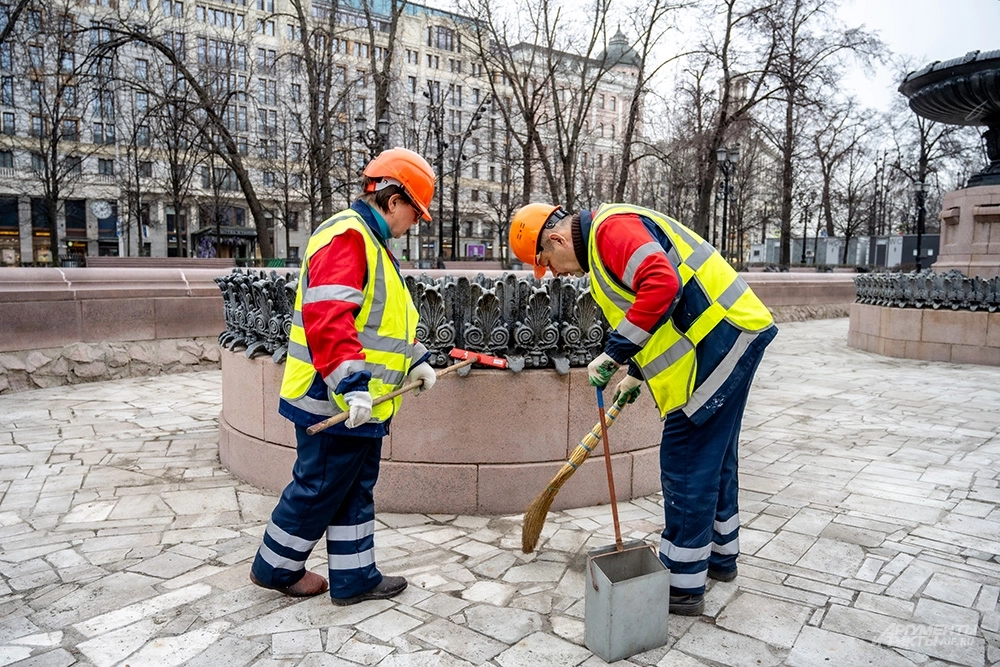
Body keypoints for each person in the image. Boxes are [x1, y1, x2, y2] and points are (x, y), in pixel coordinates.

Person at [508, 202, 777, 616]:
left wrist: (614, 354)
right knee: (715, 459)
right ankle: (720, 557)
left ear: (558, 239)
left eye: (549, 263)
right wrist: (635, 370)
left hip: (714, 348)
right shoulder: (603, 249)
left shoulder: (610, 232)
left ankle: (682, 586)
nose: (557, 274)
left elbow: (661, 285)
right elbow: (652, 311)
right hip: (729, 338)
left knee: (686, 460)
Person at [250, 147, 437, 606]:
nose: (415, 223)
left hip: (359, 401)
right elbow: (329, 317)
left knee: (353, 488)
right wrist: (352, 386)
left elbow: (379, 323)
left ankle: (354, 579)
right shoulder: (348, 236)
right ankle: (275, 568)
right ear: (394, 200)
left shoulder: (370, 243)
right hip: (337, 398)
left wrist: (416, 358)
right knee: (319, 488)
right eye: (415, 212)